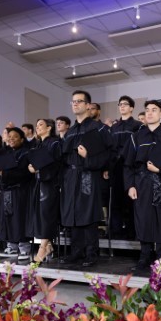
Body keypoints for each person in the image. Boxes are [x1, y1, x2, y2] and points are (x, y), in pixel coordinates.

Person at [124, 100, 161, 271]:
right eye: (147, 110)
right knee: (143, 219)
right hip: (141, 184)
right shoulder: (136, 137)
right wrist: (130, 186)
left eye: (154, 110)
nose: (150, 113)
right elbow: (128, 165)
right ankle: (144, 256)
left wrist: (160, 169)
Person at [59, 90, 113, 267]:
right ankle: (76, 252)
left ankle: (91, 253)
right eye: (73, 101)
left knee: (88, 214)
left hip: (88, 173)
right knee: (73, 213)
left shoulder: (99, 128)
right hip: (71, 176)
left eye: (79, 101)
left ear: (88, 105)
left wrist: (89, 158)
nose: (75, 104)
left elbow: (110, 153)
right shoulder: (70, 131)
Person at [27, 118, 63, 264]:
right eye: (36, 125)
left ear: (49, 128)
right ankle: (48, 246)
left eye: (41, 124)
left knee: (47, 214)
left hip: (51, 183)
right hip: (39, 182)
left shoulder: (55, 142)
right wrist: (32, 167)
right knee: (39, 215)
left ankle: (42, 248)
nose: (37, 127)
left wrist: (39, 169)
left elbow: (57, 164)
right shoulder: (38, 144)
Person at [0, 128, 32, 261]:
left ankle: (24, 248)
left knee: (19, 219)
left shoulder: (26, 153)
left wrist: (5, 174)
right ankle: (11, 246)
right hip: (6, 191)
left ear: (22, 139)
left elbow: (25, 174)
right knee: (7, 219)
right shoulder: (6, 153)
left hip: (20, 191)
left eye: (15, 137)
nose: (11, 139)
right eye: (9, 136)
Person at [109, 95, 142, 239]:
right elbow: (110, 148)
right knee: (116, 200)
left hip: (130, 166)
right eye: (120, 104)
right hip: (115, 166)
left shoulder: (137, 125)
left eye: (125, 104)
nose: (122, 106)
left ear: (132, 108)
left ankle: (132, 232)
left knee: (130, 200)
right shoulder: (114, 127)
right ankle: (116, 232)